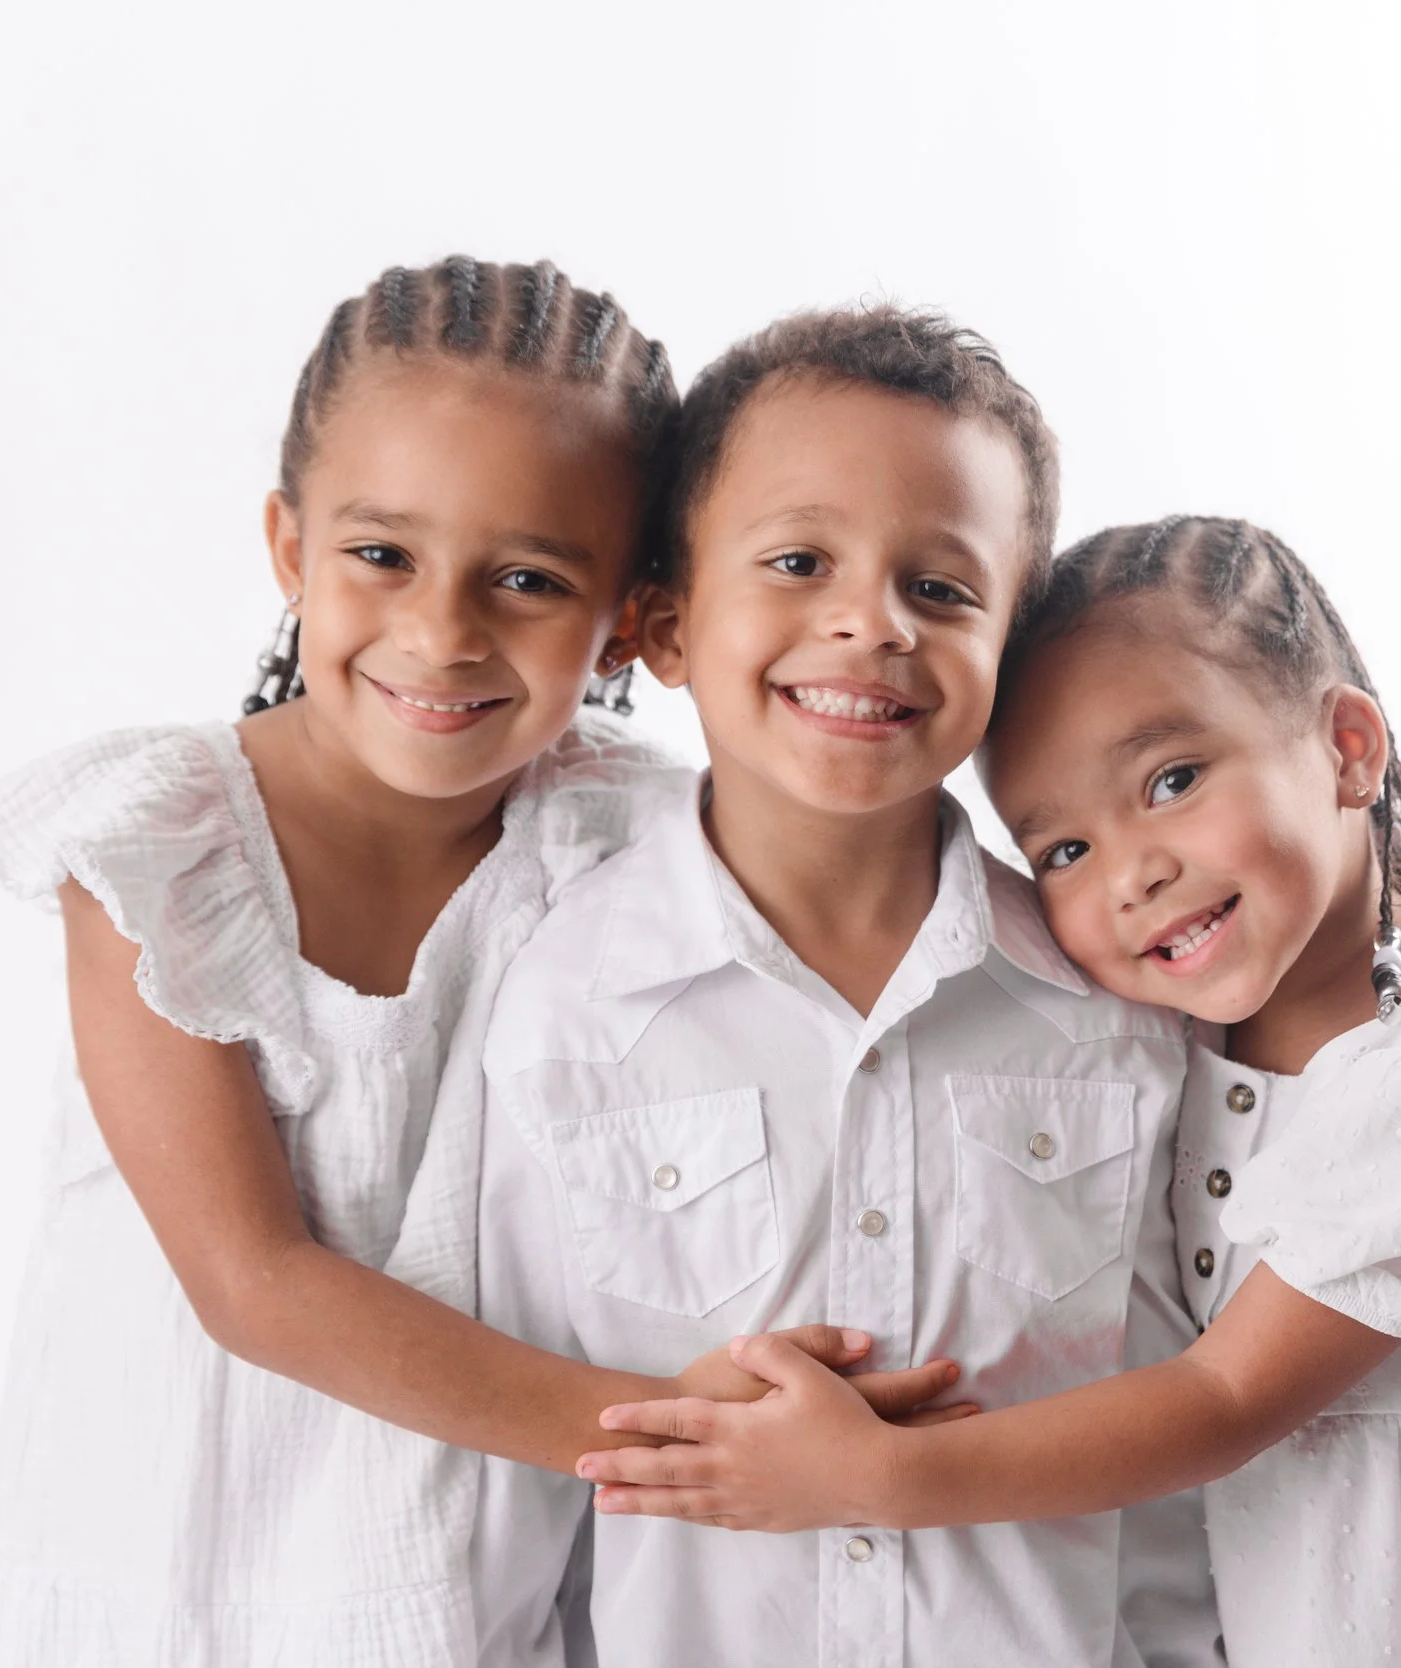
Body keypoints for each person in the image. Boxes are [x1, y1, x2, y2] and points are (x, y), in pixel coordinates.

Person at [0, 258, 958, 1668]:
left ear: (632, 619)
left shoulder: (624, 842)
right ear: (290, 549)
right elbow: (256, 1286)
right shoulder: (162, 849)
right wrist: (685, 1432)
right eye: (381, 557)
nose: (442, 633)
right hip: (159, 1599)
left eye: (529, 579)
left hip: (463, 1612)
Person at [581, 515, 1401, 1667]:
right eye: (1061, 851)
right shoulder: (1205, 1016)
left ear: (1347, 750)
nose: (1132, 875)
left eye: (1172, 780)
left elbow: (1222, 1399)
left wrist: (877, 1477)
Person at [471, 313, 1219, 1667]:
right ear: (668, 625)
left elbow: (1170, 1437)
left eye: (942, 590)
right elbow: (519, 1477)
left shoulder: (1113, 1012)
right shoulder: (566, 1007)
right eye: (801, 560)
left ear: (1007, 652)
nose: (870, 621)